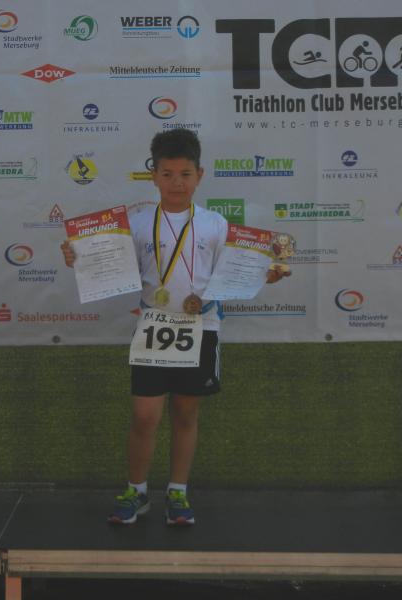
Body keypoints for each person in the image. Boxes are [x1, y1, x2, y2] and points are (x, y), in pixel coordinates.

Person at [61, 128, 287, 526]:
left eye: (185, 174)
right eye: (167, 174)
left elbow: (235, 272)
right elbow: (108, 261)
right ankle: (136, 491)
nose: (176, 182)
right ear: (154, 176)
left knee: (185, 412)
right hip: (153, 324)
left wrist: (265, 274)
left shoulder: (216, 224)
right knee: (144, 415)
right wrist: (79, 255)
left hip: (201, 325)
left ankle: (178, 492)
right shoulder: (136, 222)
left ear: (200, 175)